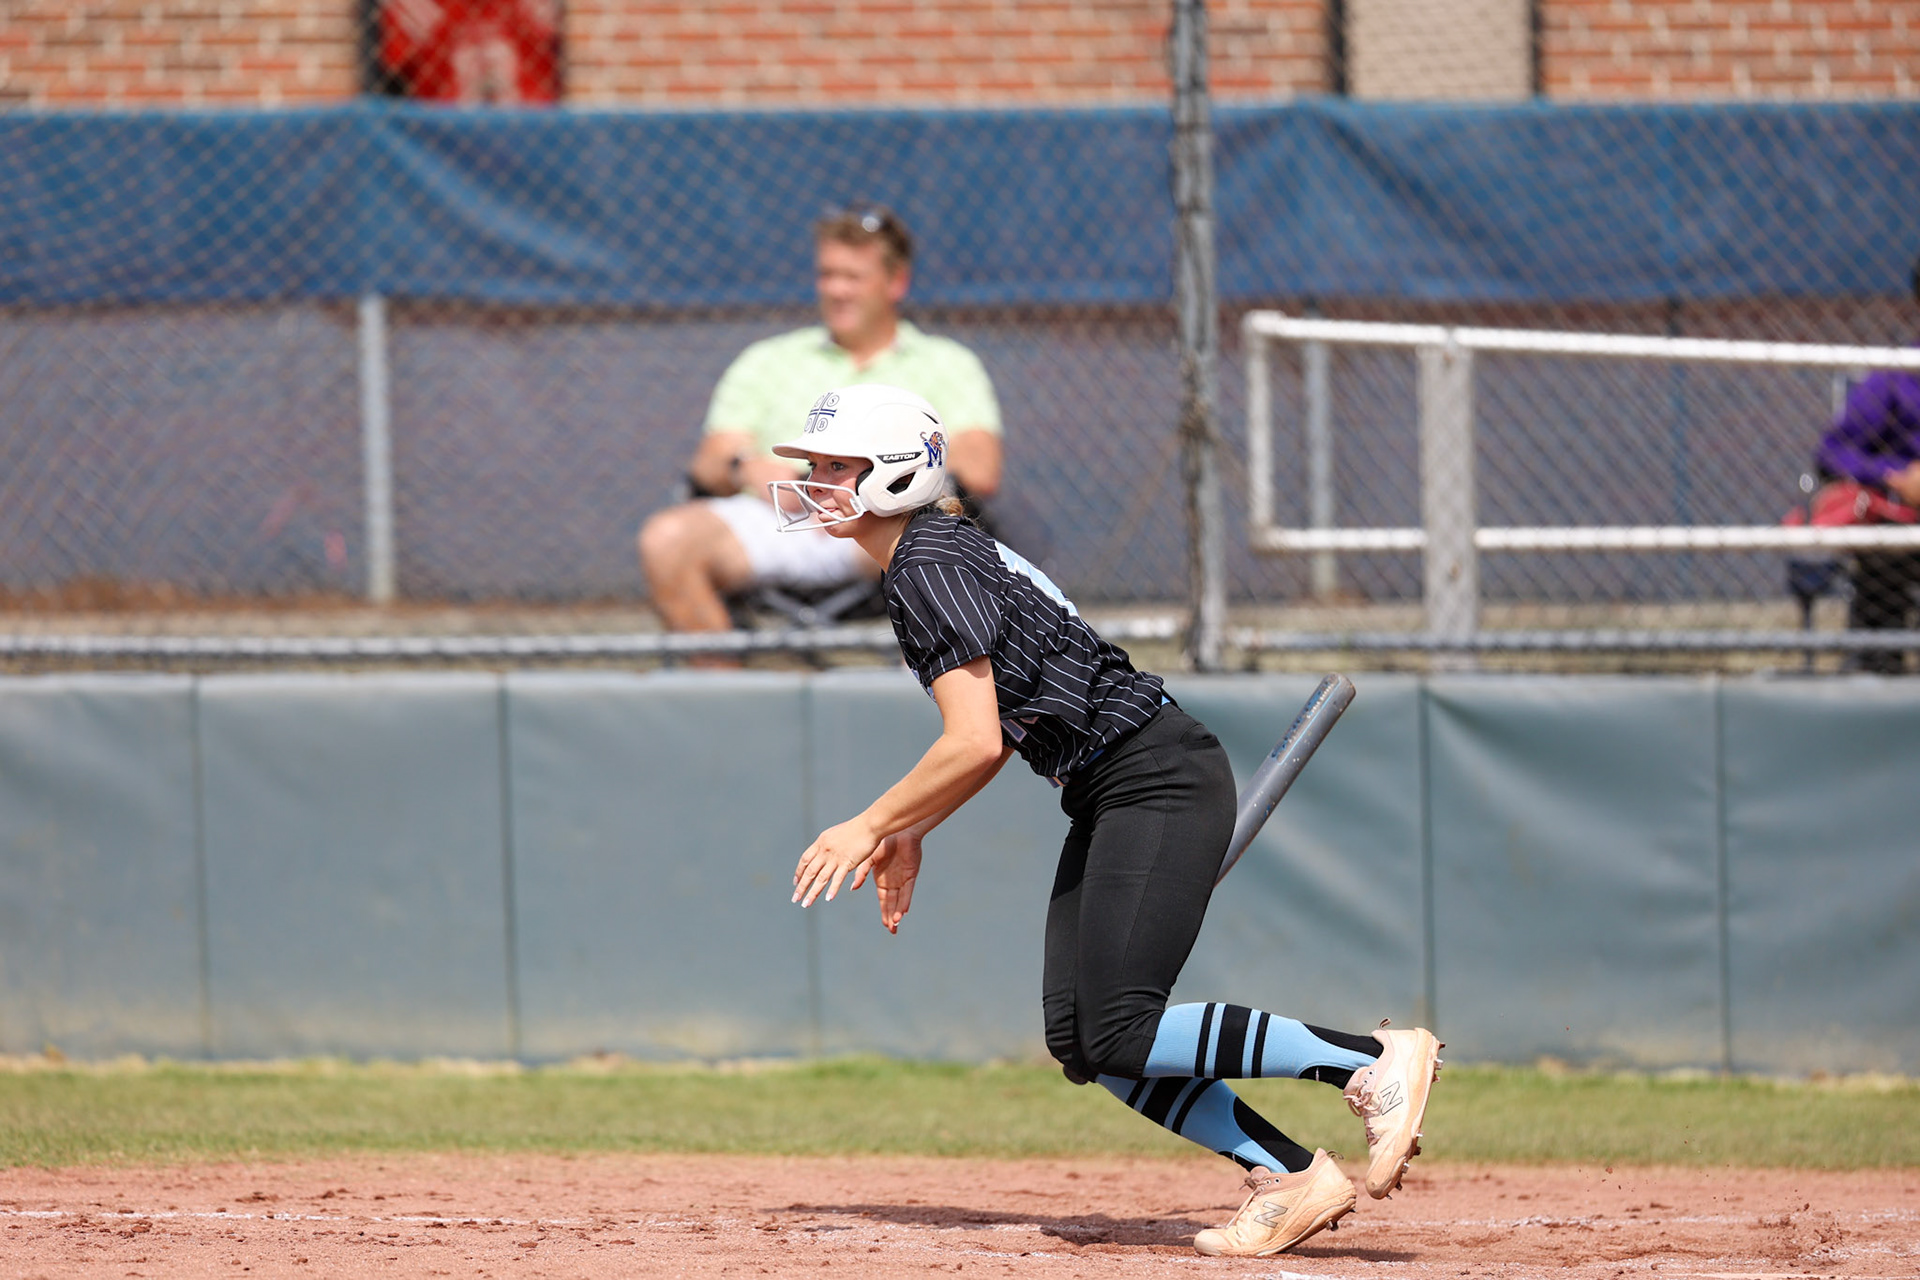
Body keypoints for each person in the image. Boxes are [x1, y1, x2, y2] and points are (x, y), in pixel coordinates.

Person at [776, 382, 1443, 1259]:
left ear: (897, 473)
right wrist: (913, 826)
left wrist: (867, 823)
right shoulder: (934, 555)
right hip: (1114, 785)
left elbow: (971, 740)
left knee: (1121, 1024)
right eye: (816, 466)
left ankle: (1363, 1059)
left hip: (1153, 777)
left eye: (837, 466)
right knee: (1085, 1039)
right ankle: (1288, 1176)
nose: (817, 482)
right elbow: (1006, 729)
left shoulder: (925, 565)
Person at [637, 205, 1003, 638]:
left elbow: (980, 469)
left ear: (896, 281)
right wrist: (746, 467)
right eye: (827, 275)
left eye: (853, 277)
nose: (836, 290)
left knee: (937, 531)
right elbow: (710, 461)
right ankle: (728, 697)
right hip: (777, 517)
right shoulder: (766, 360)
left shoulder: (948, 364)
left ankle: (932, 695)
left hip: (885, 524)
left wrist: (873, 488)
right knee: (665, 539)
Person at [1810, 255, 1920, 673]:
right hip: (1906, 524)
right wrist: (1897, 479)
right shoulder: (1896, 377)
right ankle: (1880, 673)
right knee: (1882, 558)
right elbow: (1832, 453)